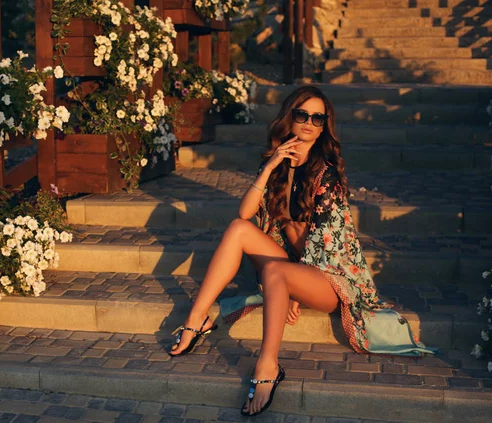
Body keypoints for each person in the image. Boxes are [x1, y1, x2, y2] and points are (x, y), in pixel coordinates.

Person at [168, 85, 437, 417]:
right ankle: (197, 319)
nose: (309, 122)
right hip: (292, 267)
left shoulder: (328, 175)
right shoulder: (278, 165)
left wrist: (293, 290)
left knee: (278, 272)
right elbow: (244, 214)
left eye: (318, 118)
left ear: (324, 126)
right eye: (302, 114)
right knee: (239, 229)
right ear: (289, 117)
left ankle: (268, 367)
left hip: (329, 280)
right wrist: (269, 168)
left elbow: (331, 247)